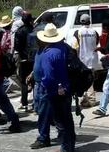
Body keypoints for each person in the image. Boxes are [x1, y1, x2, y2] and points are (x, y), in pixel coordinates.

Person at [30, 23, 75, 151]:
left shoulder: (48, 54)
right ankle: (69, 145)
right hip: (65, 88)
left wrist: (44, 86)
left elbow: (48, 77)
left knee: (59, 121)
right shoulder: (63, 48)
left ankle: (65, 148)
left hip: (53, 91)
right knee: (66, 120)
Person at [72, 14, 100, 107]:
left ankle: (91, 100)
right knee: (89, 78)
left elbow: (74, 47)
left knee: (85, 79)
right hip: (92, 58)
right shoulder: (94, 32)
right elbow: (96, 42)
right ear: (90, 21)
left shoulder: (77, 32)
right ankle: (86, 99)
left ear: (80, 21)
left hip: (82, 59)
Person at [15, 13, 34, 111]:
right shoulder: (35, 29)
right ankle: (36, 103)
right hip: (34, 58)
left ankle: (24, 103)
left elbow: (17, 47)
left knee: (23, 82)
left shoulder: (19, 31)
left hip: (24, 59)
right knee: (35, 81)